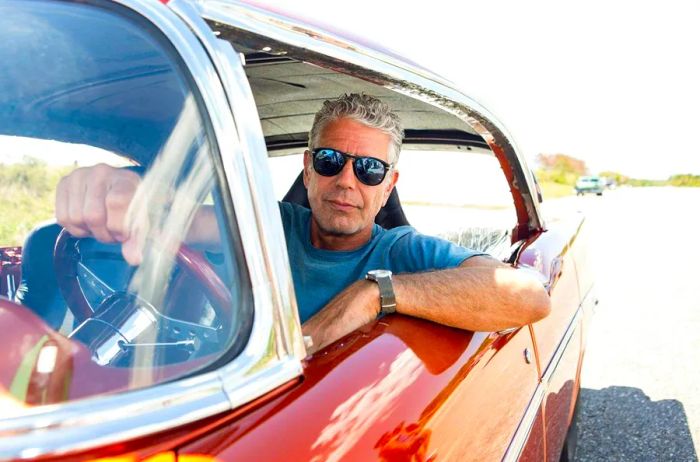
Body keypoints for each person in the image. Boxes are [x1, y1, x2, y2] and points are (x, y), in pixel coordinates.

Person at [55, 93, 550, 354]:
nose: (348, 181)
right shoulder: (268, 223)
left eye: (370, 168)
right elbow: (181, 220)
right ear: (309, 168)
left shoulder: (402, 251)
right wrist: (116, 191)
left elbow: (529, 295)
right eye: (332, 161)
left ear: (388, 184)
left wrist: (373, 294)